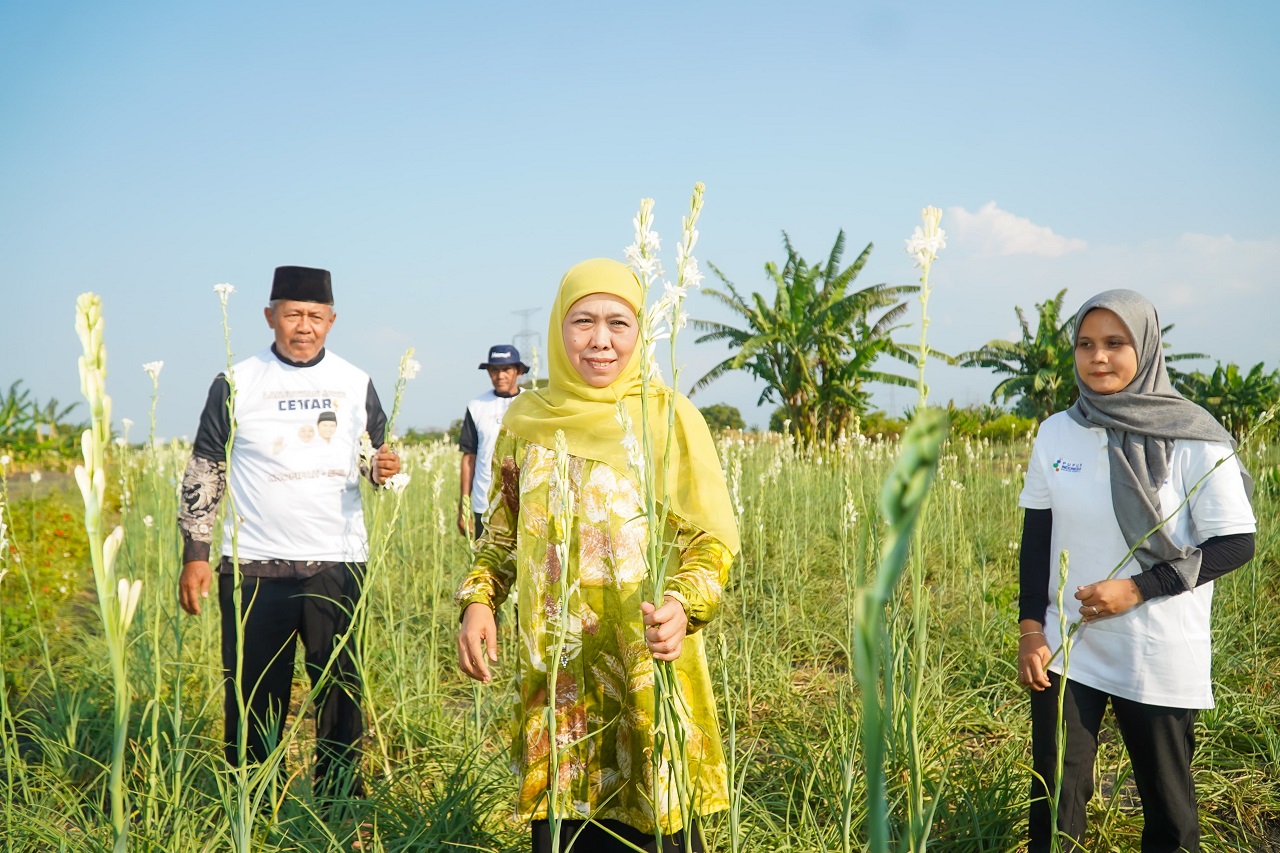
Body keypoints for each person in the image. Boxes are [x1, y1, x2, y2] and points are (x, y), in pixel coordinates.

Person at [454, 258, 740, 852]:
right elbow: (503, 536)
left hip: (646, 664)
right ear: (559, 329)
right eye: (583, 321)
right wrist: (480, 600)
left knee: (658, 826)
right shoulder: (525, 423)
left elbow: (709, 541)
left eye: (619, 322)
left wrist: (684, 605)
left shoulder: (667, 418)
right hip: (556, 677)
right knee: (563, 830)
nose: (601, 340)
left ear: (641, 333)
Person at [1016, 289, 1256, 852]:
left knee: (1169, 811)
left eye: (1115, 343)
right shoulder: (1057, 432)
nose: (1098, 357)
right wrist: (1032, 629)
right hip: (1068, 643)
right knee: (1055, 799)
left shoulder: (1192, 434)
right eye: (1085, 344)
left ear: (1145, 348)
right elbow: (1037, 539)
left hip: (1156, 643)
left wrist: (1138, 589)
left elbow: (1236, 543)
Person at [177, 265, 401, 805]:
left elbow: (377, 459)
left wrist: (383, 469)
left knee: (341, 693)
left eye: (316, 316)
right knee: (254, 697)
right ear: (269, 315)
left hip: (338, 564)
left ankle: (341, 804)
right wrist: (195, 553)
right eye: (294, 314)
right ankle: (255, 807)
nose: (305, 326)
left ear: (332, 320)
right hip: (253, 566)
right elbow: (206, 468)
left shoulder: (355, 382)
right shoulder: (236, 381)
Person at [457, 344, 528, 540]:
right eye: (494, 370)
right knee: (486, 566)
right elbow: (469, 458)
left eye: (506, 369)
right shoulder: (477, 406)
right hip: (485, 504)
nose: (500, 375)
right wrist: (463, 508)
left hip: (524, 502)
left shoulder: (531, 402)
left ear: (519, 371)